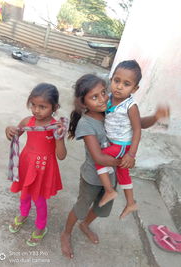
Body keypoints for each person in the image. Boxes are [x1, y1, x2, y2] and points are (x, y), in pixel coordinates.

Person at [60, 73, 170, 259]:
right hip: (92, 178)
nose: (103, 99)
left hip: (111, 177)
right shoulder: (87, 124)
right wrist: (126, 160)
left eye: (103, 92)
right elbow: (99, 157)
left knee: (101, 208)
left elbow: (138, 124)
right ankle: (66, 233)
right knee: (81, 206)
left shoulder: (110, 109)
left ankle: (85, 224)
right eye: (94, 97)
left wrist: (156, 116)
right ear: (83, 103)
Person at [5, 83, 67, 246]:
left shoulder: (55, 127)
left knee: (39, 201)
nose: (36, 110)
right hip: (26, 164)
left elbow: (61, 156)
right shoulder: (28, 120)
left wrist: (60, 138)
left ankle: (40, 227)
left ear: (55, 107)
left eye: (42, 107)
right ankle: (23, 214)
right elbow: (14, 135)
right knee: (24, 194)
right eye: (33, 105)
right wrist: (9, 130)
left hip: (43, 168)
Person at [95, 60, 142, 219]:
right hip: (114, 143)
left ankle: (109, 190)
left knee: (99, 158)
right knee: (123, 174)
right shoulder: (108, 98)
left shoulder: (131, 106)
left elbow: (137, 130)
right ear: (111, 79)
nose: (119, 86)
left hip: (122, 145)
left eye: (126, 84)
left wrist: (131, 154)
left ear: (135, 89)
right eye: (117, 81)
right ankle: (130, 203)